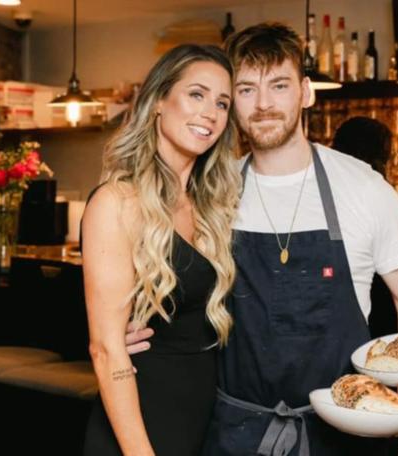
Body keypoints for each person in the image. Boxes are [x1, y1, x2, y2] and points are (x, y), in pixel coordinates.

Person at [125, 24, 398, 455]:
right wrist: (136, 330)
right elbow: (176, 287)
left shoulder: (364, 188)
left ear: (306, 92)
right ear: (233, 101)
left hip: (345, 432)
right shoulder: (211, 192)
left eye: (279, 85)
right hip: (234, 431)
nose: (265, 104)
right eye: (248, 89)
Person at [81, 44, 241, 456]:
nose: (211, 112)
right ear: (157, 102)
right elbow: (106, 348)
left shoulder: (212, 205)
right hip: (142, 426)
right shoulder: (117, 203)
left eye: (222, 103)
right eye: (196, 94)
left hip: (204, 423)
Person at [332, 117, 398, 339]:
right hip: (383, 341)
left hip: (348, 340)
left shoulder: (326, 200)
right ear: (385, 157)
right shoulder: (382, 199)